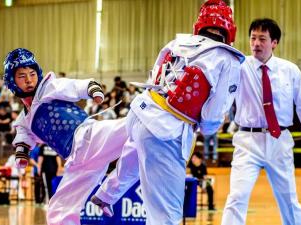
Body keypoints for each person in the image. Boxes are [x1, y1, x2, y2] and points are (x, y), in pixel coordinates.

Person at [90, 0, 244, 223]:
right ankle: (107, 195)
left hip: (140, 111)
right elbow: (212, 115)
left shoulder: (178, 43)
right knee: (166, 215)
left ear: (199, 24)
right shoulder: (227, 59)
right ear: (230, 30)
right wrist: (206, 127)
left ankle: (105, 195)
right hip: (166, 130)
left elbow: (155, 76)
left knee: (134, 155)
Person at [3, 48, 129, 224]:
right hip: (76, 162)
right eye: (22, 76)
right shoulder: (24, 120)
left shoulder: (47, 88)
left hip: (88, 136)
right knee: (58, 211)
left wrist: (91, 89)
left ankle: (107, 194)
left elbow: (72, 87)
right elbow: (24, 138)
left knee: (136, 128)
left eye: (32, 74)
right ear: (12, 80)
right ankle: (104, 197)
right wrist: (22, 153)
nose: (29, 80)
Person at [221, 18, 301, 225]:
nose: (256, 44)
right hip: (247, 140)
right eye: (253, 38)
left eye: (262, 39)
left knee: (289, 200)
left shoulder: (290, 71)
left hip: (279, 140)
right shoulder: (239, 67)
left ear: (274, 42)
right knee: (236, 197)